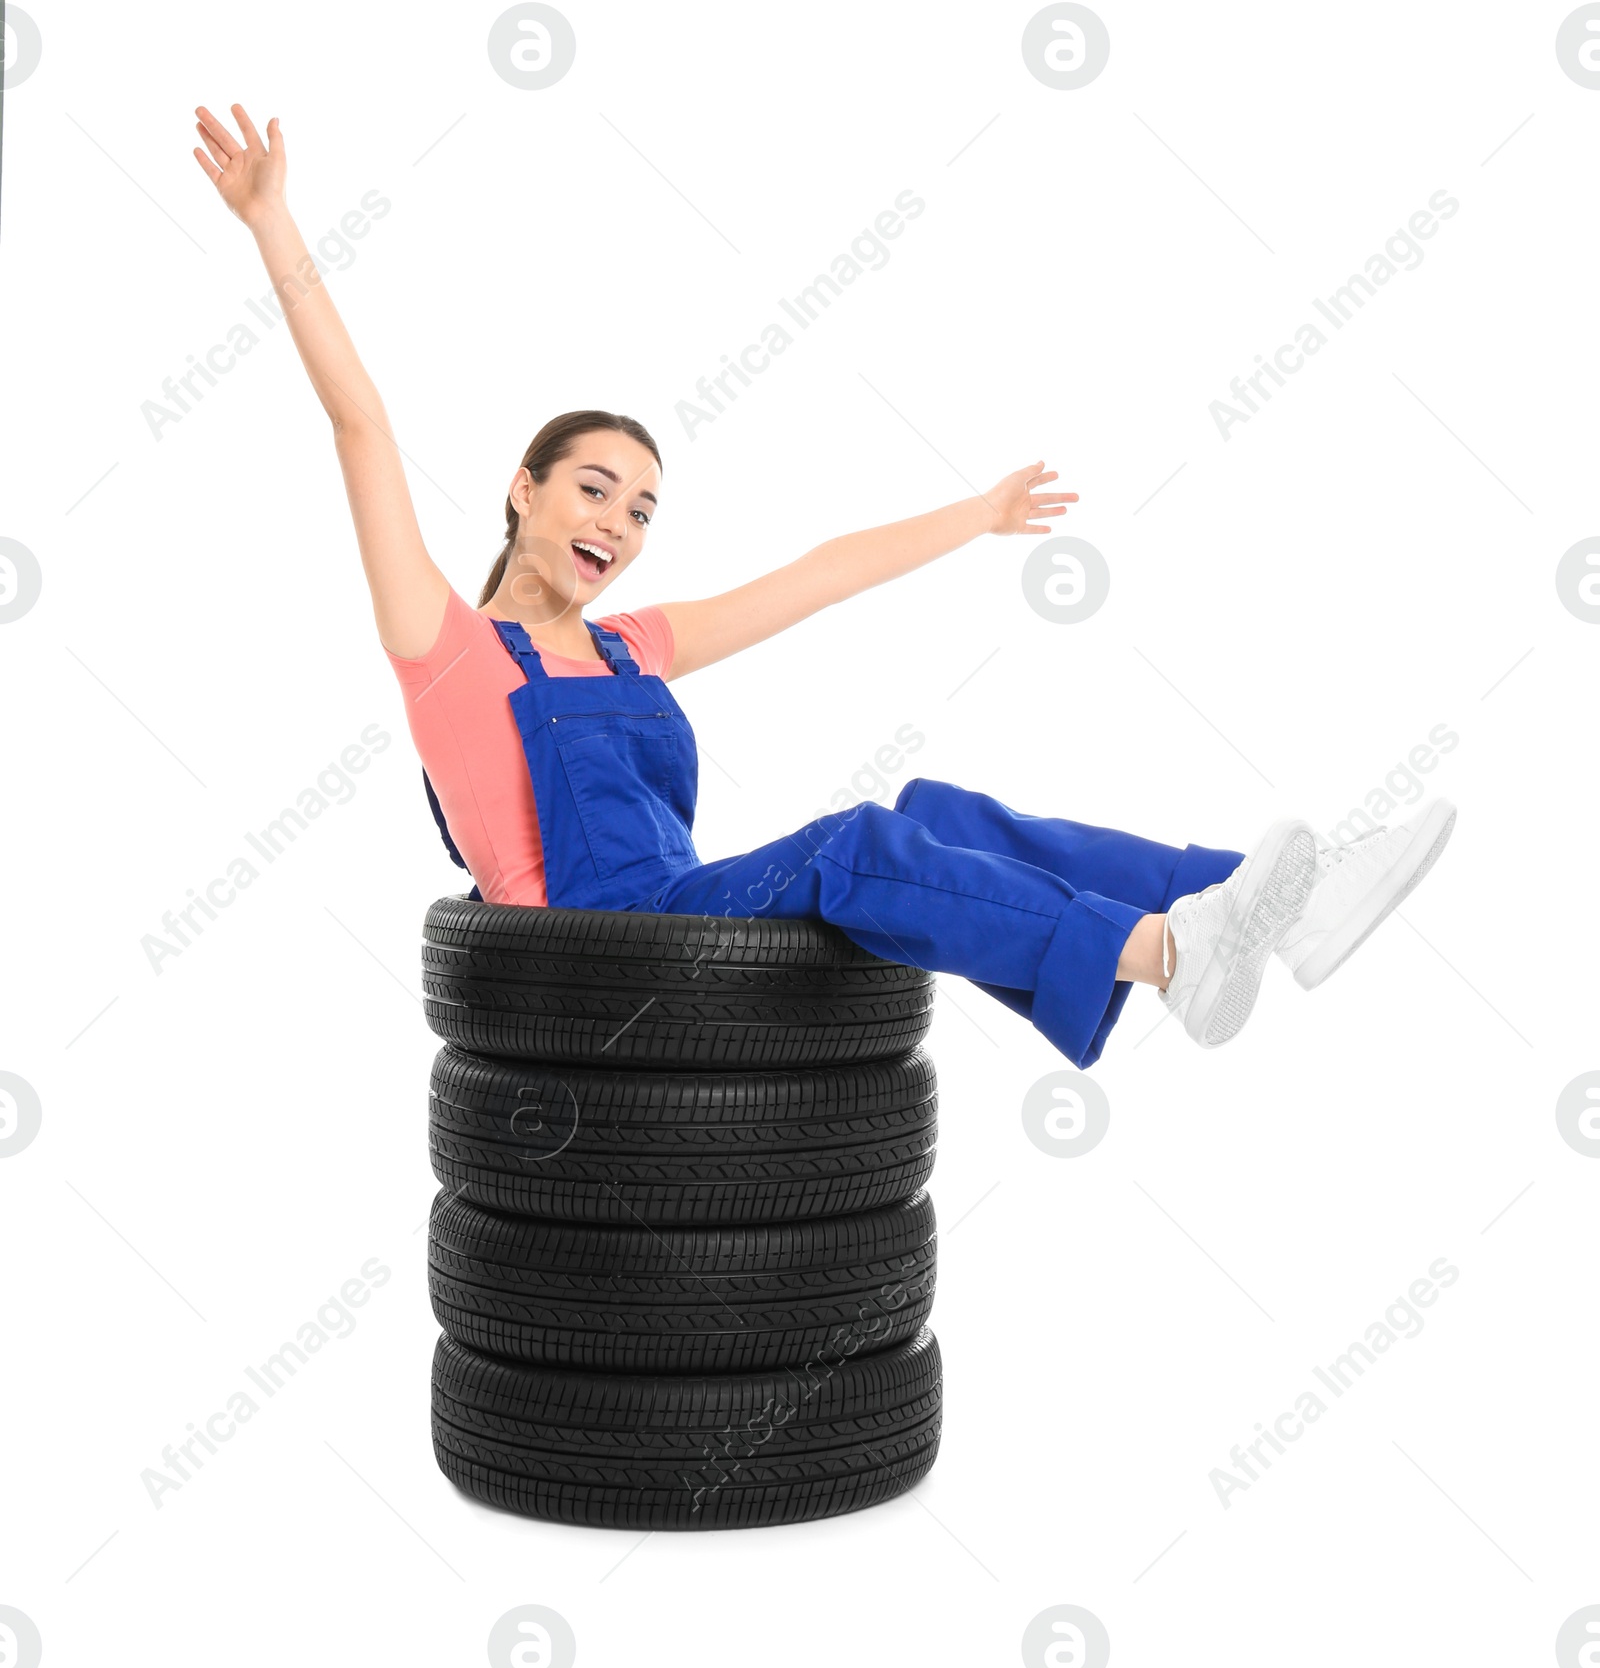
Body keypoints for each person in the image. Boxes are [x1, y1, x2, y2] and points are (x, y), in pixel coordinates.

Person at [192, 103, 1455, 1068]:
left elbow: (816, 576)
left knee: (932, 810)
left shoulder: (629, 649)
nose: (617, 523)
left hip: (684, 922)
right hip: (606, 965)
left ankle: (1278, 903)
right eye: (593, 489)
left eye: (641, 510)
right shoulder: (449, 652)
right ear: (522, 490)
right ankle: (1168, 955)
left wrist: (978, 515)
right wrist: (271, 224)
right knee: (855, 846)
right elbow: (360, 425)